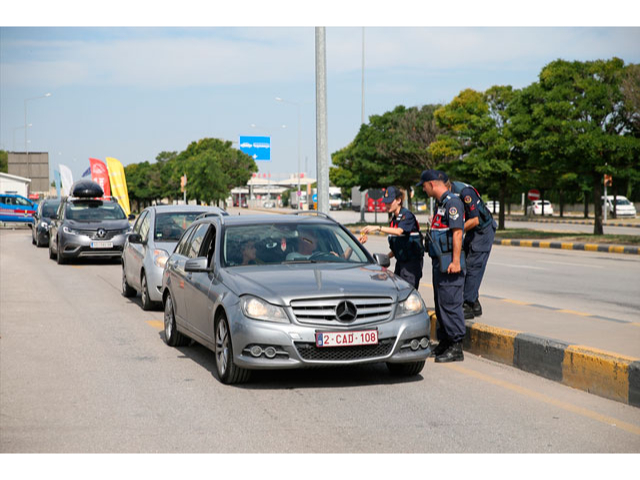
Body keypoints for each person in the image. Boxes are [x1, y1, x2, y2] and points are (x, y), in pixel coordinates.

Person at [417, 169, 466, 363]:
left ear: (432, 183)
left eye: (424, 185)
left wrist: (455, 261)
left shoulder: (453, 203)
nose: (423, 188)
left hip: (449, 264)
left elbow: (457, 233)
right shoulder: (441, 204)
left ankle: (456, 347)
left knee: (451, 304)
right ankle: (445, 342)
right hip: (440, 263)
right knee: (441, 304)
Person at [447, 178, 497, 319]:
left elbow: (475, 220)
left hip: (483, 230)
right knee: (467, 264)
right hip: (473, 231)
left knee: (473, 266)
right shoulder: (450, 194)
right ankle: (474, 302)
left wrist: (457, 230)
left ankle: (467, 304)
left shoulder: (464, 192)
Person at [360, 186, 423, 289]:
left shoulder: (407, 216)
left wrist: (377, 228)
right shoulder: (394, 219)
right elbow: (399, 246)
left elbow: (399, 232)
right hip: (400, 263)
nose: (387, 205)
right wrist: (384, 258)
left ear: (399, 200)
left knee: (407, 293)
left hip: (411, 265)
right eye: (386, 202)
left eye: (390, 202)